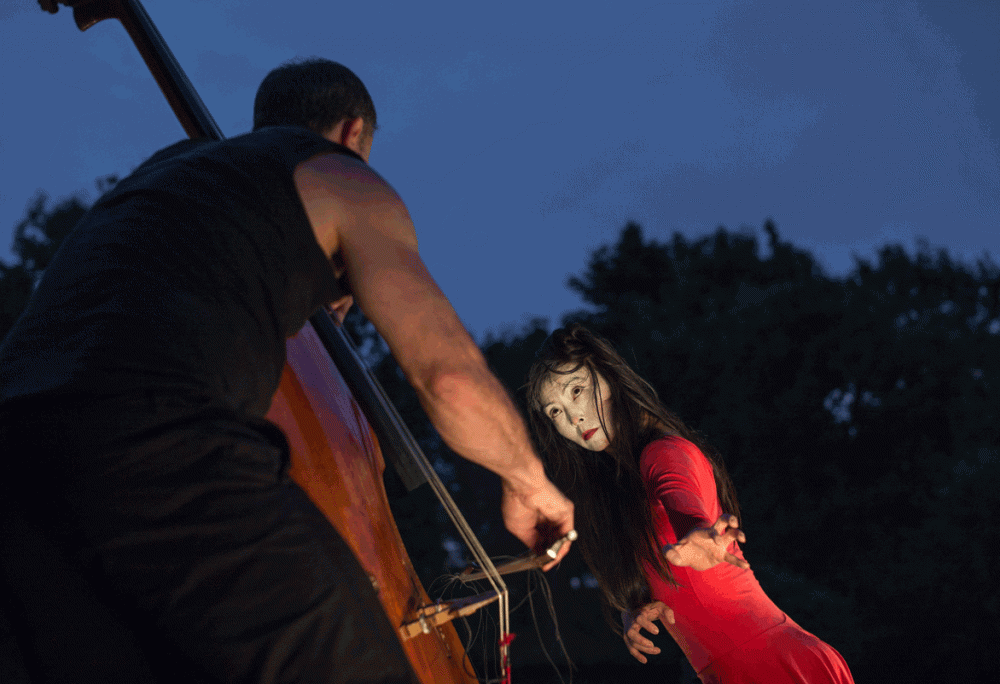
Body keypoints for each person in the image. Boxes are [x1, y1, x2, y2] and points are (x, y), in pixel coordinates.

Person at [0, 58, 573, 684]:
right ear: (352, 131)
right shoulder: (344, 179)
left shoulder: (169, 174)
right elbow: (449, 376)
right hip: (158, 445)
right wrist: (530, 481)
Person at [525, 324, 853, 683]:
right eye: (555, 412)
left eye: (577, 391)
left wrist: (696, 529)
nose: (574, 418)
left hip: (776, 666)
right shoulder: (621, 490)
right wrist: (634, 608)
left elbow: (681, 496)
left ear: (609, 377)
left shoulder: (663, 451)